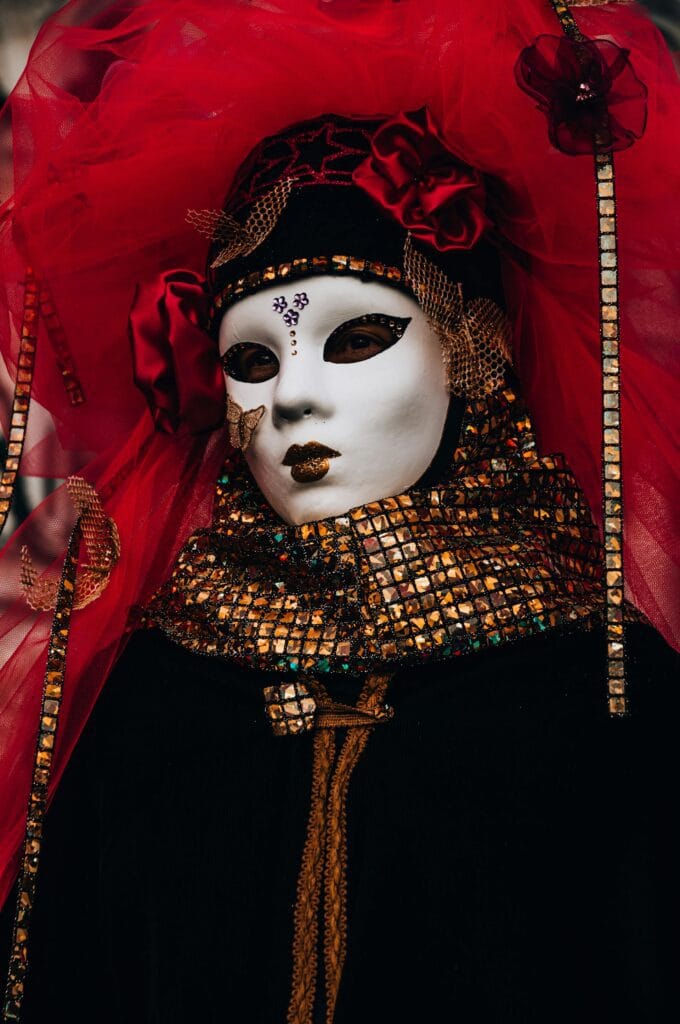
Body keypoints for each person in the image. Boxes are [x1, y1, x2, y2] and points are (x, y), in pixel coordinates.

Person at [0, 2, 678, 1022]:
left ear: (470, 350)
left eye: (356, 337)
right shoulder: (149, 694)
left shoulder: (602, 695)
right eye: (249, 361)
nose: (291, 399)